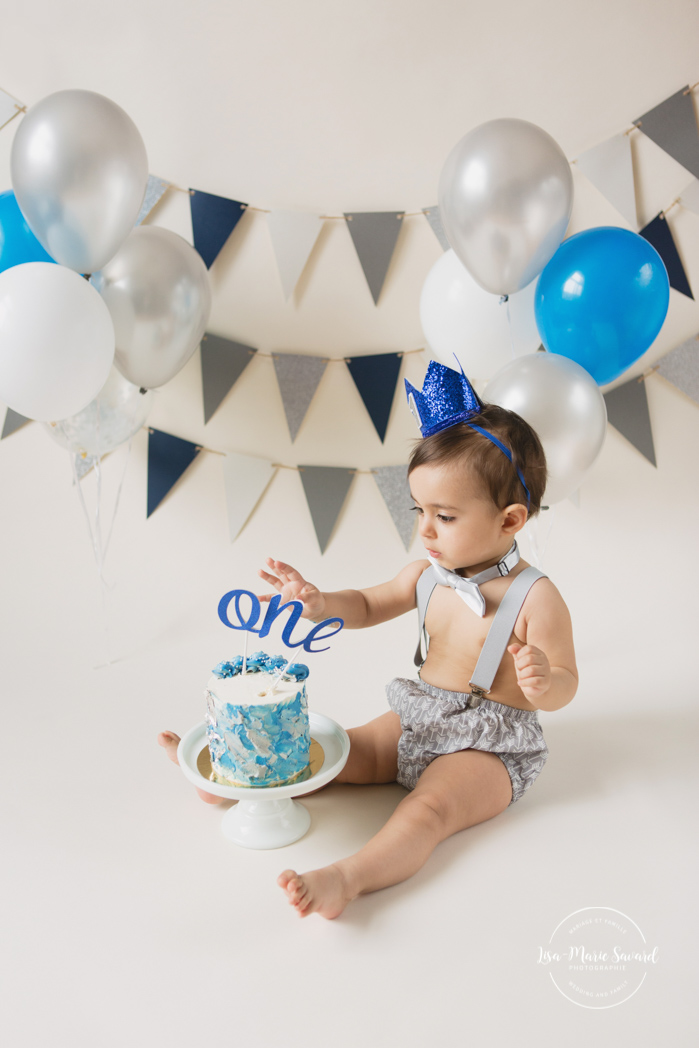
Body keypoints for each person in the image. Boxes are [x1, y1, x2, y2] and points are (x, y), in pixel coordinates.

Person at [159, 360, 578, 920]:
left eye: (445, 516)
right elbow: (365, 604)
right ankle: (243, 780)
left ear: (510, 520)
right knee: (333, 749)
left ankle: (347, 878)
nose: (424, 529)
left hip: (490, 743)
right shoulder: (424, 576)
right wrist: (316, 602)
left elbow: (567, 684)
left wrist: (544, 679)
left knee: (428, 809)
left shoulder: (536, 598)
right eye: (420, 511)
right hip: (422, 713)